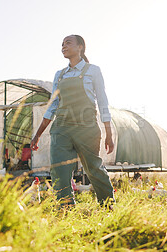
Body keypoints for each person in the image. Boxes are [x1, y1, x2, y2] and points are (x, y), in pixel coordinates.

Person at [30, 35, 115, 207]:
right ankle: (66, 208)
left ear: (80, 47)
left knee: (94, 169)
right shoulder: (59, 75)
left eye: (68, 43)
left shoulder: (93, 71)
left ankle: (108, 205)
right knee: (59, 171)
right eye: (62, 44)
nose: (63, 46)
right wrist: (37, 134)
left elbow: (103, 101)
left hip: (86, 127)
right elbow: (53, 105)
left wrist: (108, 132)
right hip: (61, 127)